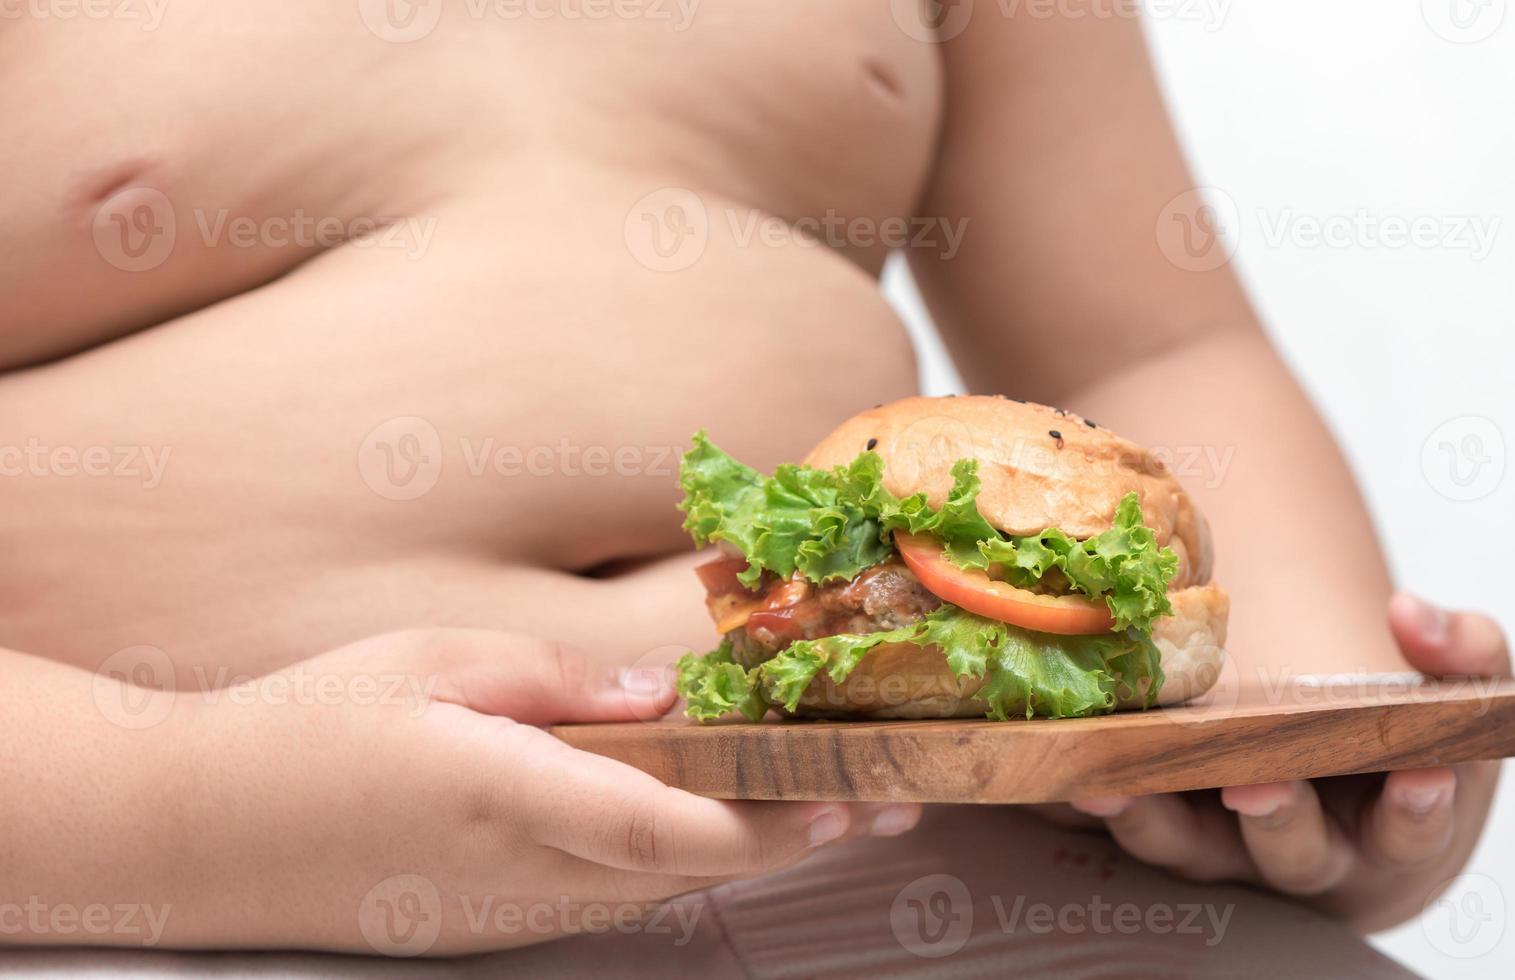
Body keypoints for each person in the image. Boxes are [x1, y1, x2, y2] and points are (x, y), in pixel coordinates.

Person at [0, 2, 1502, 971]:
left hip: (971, 874)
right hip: (161, 904)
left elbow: (1152, 339)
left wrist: (1289, 748)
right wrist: (195, 812)